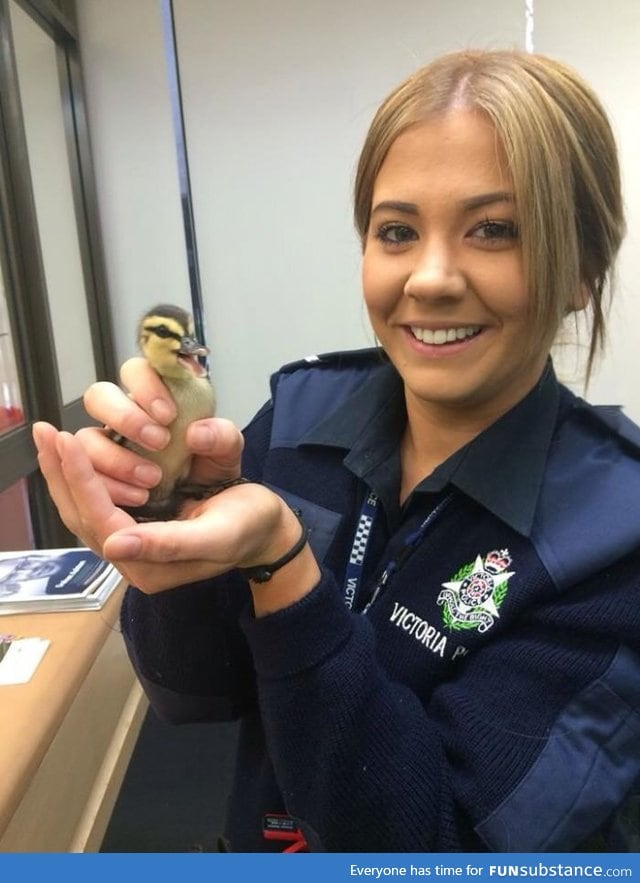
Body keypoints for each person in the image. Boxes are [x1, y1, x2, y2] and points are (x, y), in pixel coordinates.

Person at [33, 49, 640, 853]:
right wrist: (167, 515)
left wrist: (282, 571)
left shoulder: (614, 530)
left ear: (584, 273)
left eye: (494, 230)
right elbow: (190, 690)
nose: (427, 277)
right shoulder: (299, 414)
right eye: (396, 231)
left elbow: (434, 846)